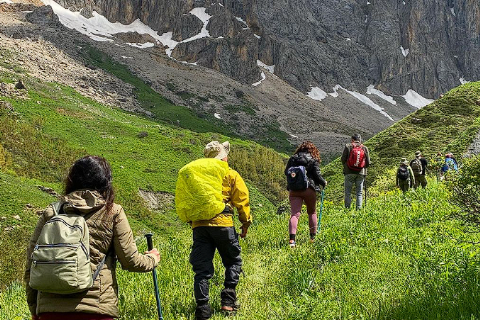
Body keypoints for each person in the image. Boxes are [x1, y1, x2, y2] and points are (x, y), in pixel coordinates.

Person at [25, 156, 160, 320]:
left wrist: (35, 309)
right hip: (96, 309)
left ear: (71, 180)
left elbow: (31, 265)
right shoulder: (112, 212)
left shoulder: (52, 212)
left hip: (49, 311)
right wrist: (152, 259)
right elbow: (130, 260)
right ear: (106, 183)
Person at [181, 141, 252, 320]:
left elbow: (188, 199)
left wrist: (191, 220)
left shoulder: (197, 176)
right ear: (223, 157)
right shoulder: (230, 174)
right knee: (233, 261)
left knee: (201, 269)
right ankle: (228, 301)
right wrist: (245, 222)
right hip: (223, 223)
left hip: (200, 226)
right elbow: (241, 200)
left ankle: (203, 310)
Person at [284, 141, 327, 248]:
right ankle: (312, 238)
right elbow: (317, 175)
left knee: (295, 214)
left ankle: (292, 241)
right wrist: (323, 182)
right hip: (309, 189)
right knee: (312, 212)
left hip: (294, 190)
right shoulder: (313, 159)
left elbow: (286, 172)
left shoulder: (293, 158)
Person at [341, 134, 371, 210]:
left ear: (352, 140)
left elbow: (343, 159)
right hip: (361, 173)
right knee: (359, 193)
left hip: (349, 172)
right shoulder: (364, 148)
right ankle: (359, 209)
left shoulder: (348, 146)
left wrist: (346, 166)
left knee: (348, 192)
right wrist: (364, 168)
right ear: (360, 140)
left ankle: (347, 209)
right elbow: (368, 162)